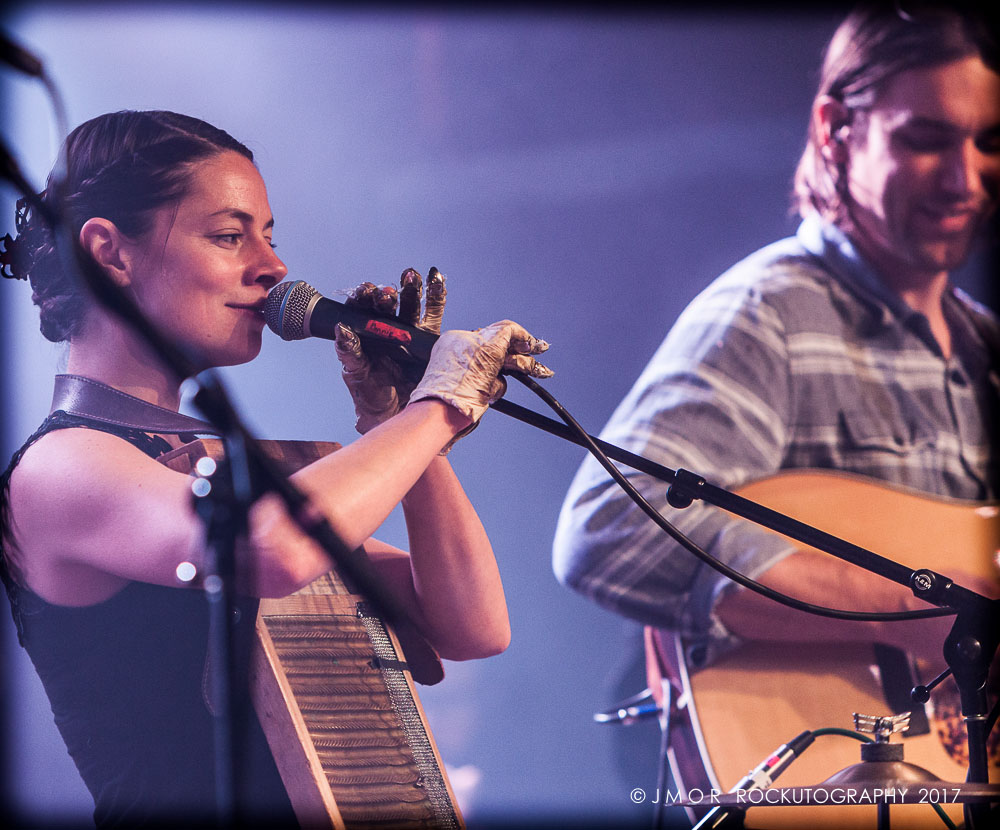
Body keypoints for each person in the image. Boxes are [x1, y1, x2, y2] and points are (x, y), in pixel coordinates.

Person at [0, 109, 552, 827]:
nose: (273, 267)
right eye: (230, 236)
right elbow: (275, 551)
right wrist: (443, 404)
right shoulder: (60, 465)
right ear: (111, 251)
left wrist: (401, 417)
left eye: (269, 236)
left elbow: (470, 625)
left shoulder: (226, 464)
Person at [553, 2, 998, 723]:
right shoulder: (772, 316)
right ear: (835, 130)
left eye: (988, 143)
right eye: (926, 139)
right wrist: (908, 607)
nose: (965, 179)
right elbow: (613, 530)